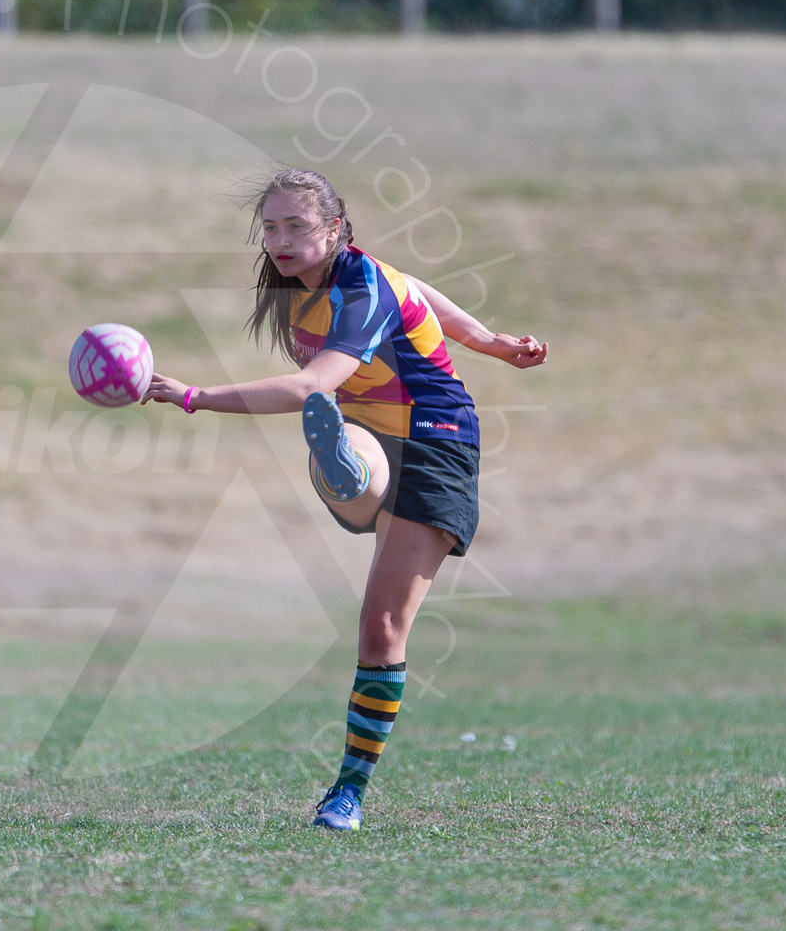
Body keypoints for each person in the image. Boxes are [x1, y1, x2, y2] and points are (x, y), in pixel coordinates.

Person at [142, 168, 546, 832]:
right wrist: (491, 342)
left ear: (335, 229)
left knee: (381, 628)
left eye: (296, 225)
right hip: (369, 431)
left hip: (436, 442)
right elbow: (420, 293)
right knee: (345, 447)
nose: (279, 239)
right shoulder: (316, 282)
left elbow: (310, 385)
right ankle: (350, 469)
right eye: (270, 227)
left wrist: (195, 396)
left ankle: (348, 794)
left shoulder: (359, 290)